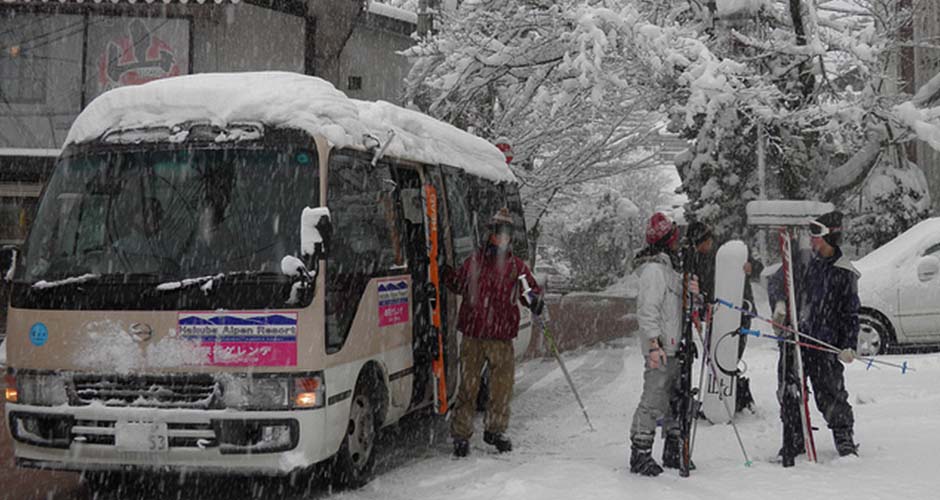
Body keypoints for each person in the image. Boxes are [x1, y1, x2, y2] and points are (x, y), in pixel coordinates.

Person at [442, 207, 543, 458]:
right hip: (474, 334)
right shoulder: (474, 262)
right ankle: (460, 434)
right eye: (498, 232)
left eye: (506, 233)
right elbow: (458, 284)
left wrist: (535, 300)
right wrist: (445, 273)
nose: (502, 237)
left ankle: (495, 430)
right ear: (491, 234)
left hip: (501, 336)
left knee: (501, 387)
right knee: (468, 387)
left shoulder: (516, 267)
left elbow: (528, 291)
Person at [768, 210, 860, 467]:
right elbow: (777, 282)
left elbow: (850, 314)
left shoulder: (844, 272)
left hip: (823, 344)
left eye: (816, 235)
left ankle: (844, 438)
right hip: (794, 339)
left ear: (831, 238)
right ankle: (794, 438)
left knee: (831, 392)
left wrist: (848, 345)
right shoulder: (801, 261)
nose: (812, 240)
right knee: (789, 391)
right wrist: (780, 303)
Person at [629, 211, 682, 477]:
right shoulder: (654, 271)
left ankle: (673, 448)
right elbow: (648, 310)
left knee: (675, 399)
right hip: (659, 347)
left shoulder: (669, 269)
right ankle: (640, 452)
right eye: (674, 237)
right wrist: (653, 343)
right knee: (653, 398)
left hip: (673, 346)